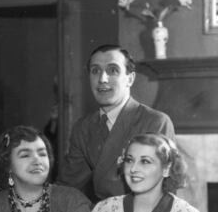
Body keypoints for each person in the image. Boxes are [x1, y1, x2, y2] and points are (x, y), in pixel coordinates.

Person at [58, 44, 175, 203]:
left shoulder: (155, 122)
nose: (102, 79)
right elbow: (68, 186)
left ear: (130, 79)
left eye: (113, 70)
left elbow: (165, 191)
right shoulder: (83, 128)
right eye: (95, 71)